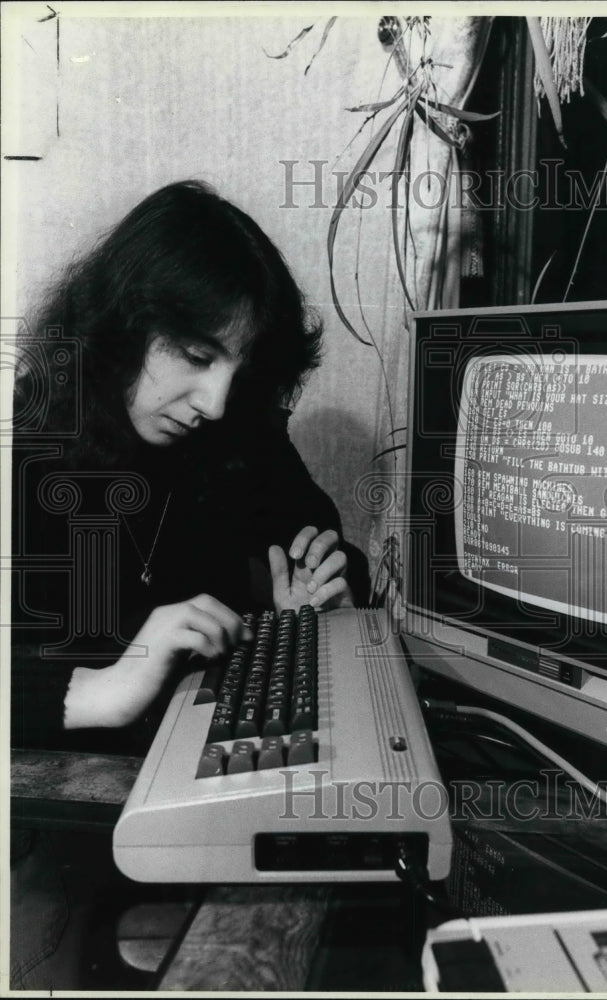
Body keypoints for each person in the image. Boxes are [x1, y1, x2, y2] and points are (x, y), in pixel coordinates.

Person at [9, 180, 370, 989]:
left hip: (194, 803)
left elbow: (330, 549)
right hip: (49, 821)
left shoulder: (234, 426)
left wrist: (316, 592)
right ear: (122, 326)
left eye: (236, 370)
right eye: (198, 356)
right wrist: (99, 687)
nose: (214, 400)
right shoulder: (25, 442)